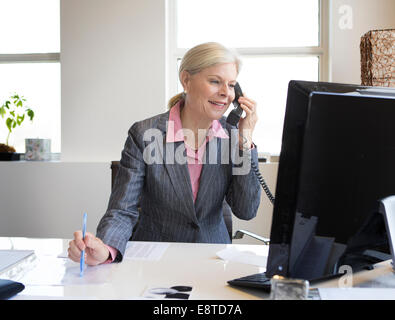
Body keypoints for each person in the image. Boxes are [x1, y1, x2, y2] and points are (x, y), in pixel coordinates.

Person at [68, 42, 262, 265]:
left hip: (212, 260)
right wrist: (106, 249)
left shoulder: (232, 137)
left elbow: (246, 210)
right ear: (186, 80)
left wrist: (244, 142)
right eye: (215, 81)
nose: (225, 94)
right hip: (155, 259)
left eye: (231, 85)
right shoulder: (144, 134)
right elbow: (122, 210)